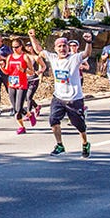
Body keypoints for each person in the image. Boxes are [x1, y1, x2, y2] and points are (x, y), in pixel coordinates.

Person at [28, 29, 93, 158]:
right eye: (60, 46)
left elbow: (86, 53)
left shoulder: (75, 58)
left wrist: (89, 41)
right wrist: (32, 37)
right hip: (58, 97)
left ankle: (85, 143)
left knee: (79, 125)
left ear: (68, 47)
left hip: (74, 98)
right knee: (53, 120)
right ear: (55, 48)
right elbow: (39, 50)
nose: (62, 48)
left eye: (64, 46)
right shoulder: (52, 58)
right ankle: (59, 145)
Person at [1, 38, 33, 134]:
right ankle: (28, 116)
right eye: (13, 47)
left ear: (21, 47)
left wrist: (23, 70)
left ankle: (21, 127)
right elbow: (7, 71)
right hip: (11, 84)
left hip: (21, 84)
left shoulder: (25, 57)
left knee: (18, 109)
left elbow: (32, 71)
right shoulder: (10, 57)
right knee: (15, 107)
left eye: (16, 47)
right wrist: (1, 66)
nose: (14, 49)